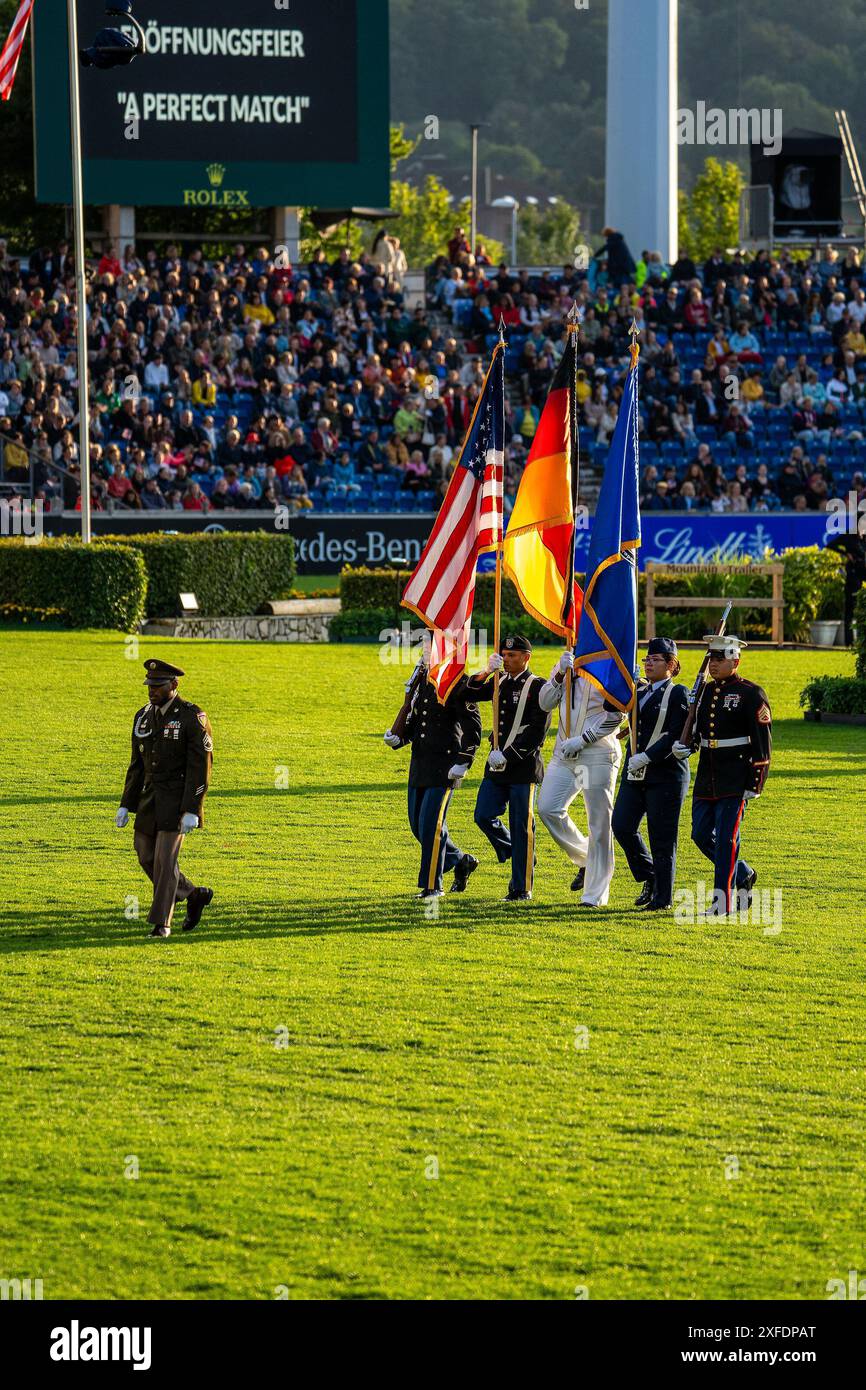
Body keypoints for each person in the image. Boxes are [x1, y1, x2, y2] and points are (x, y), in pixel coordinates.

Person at [672, 636, 772, 916]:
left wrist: (756, 781)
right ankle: (742, 872)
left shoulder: (751, 693)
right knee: (701, 834)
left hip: (736, 777)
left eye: (720, 659)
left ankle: (722, 902)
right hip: (708, 775)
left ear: (735, 661)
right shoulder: (703, 691)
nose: (713, 664)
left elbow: (762, 742)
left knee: (727, 838)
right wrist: (686, 746)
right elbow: (700, 731)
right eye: (711, 659)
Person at [115, 660, 214, 939]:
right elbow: (137, 764)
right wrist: (126, 803)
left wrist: (193, 809)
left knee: (164, 861)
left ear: (174, 685)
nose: (152, 691)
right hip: (149, 801)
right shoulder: (143, 717)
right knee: (144, 854)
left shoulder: (192, 717)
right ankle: (193, 894)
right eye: (150, 685)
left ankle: (162, 924)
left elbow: (201, 767)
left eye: (158, 686)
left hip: (177, 802)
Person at [383, 644, 482, 899]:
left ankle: (432, 886)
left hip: (445, 767)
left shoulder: (458, 682)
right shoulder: (423, 680)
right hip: (420, 763)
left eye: (430, 648)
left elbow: (473, 729)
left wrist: (464, 762)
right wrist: (401, 738)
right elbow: (419, 719)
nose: (425, 653)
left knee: (431, 827)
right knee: (417, 826)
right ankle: (461, 861)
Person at [466, 635, 551, 904]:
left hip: (522, 767)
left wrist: (509, 756)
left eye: (513, 655)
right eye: (504, 655)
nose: (507, 659)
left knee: (521, 825)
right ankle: (519, 853)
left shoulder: (538, 686)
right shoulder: (498, 681)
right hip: (495, 765)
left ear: (526, 657)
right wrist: (487, 671)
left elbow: (539, 729)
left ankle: (521, 888)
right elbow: (468, 692)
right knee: (483, 815)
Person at [536, 651, 624, 907]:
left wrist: (584, 739)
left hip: (597, 753)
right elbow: (544, 702)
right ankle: (588, 858)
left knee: (599, 822)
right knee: (548, 808)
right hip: (564, 753)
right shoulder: (567, 661)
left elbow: (618, 714)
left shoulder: (610, 665)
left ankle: (595, 895)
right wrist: (560, 674)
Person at [611, 639, 691, 911]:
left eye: (655, 659)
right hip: (635, 773)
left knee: (662, 837)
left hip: (665, 774)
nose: (648, 663)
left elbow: (675, 732)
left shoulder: (678, 693)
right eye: (647, 659)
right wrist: (626, 686)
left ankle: (662, 898)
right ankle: (650, 874)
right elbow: (615, 709)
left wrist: (648, 756)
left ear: (671, 665)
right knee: (621, 825)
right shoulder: (638, 691)